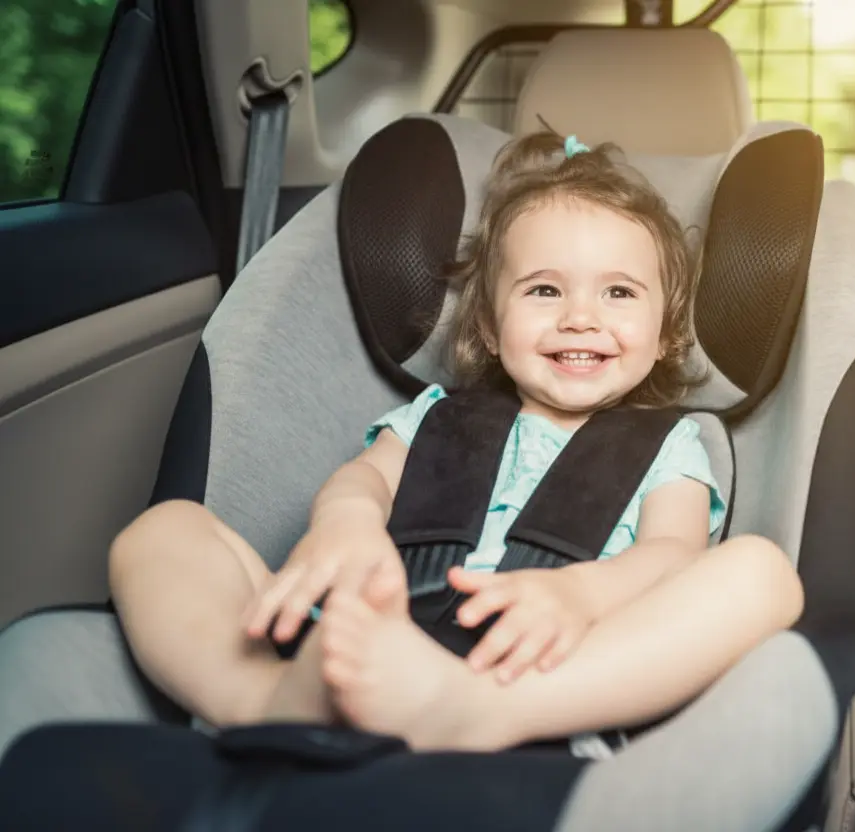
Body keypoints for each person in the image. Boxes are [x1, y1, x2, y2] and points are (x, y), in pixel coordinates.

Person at [107, 130, 806, 754]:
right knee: (162, 531)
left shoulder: (670, 447)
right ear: (492, 329)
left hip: (539, 673)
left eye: (619, 293)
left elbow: (672, 556)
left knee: (763, 573)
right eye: (544, 291)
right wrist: (345, 526)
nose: (580, 318)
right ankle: (263, 700)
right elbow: (365, 478)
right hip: (369, 643)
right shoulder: (437, 416)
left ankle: (480, 713)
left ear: (665, 335)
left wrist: (581, 596)